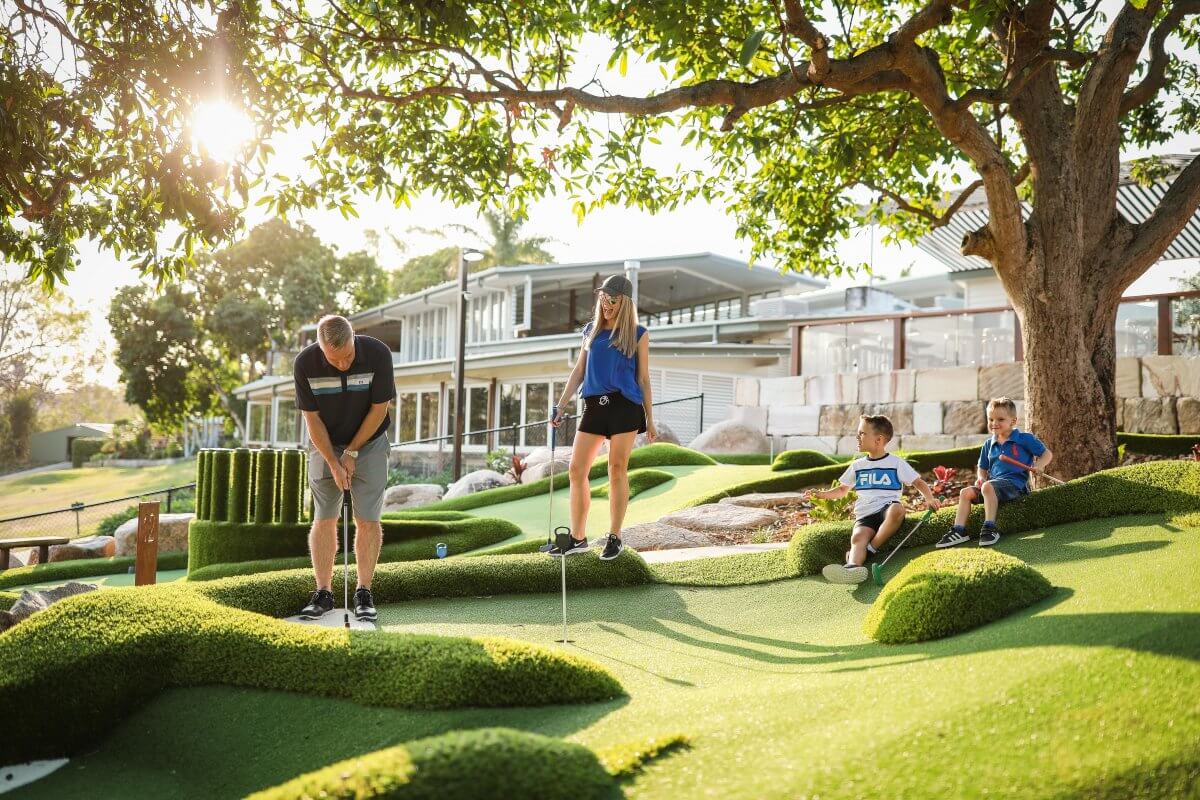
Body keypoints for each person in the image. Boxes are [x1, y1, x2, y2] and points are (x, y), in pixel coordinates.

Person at [293, 315, 395, 621]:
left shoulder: (378, 354)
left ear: (354, 338)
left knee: (368, 519)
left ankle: (364, 591)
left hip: (371, 441)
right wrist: (333, 462)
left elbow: (380, 409)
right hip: (325, 442)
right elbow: (312, 420)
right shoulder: (305, 364)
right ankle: (323, 593)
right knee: (324, 518)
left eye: (348, 357)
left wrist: (351, 452)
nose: (342, 365)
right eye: (333, 359)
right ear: (321, 349)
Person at [549, 274, 658, 560]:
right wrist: (561, 406)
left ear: (624, 302)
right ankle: (577, 538)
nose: (606, 305)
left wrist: (651, 418)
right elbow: (578, 372)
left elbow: (644, 378)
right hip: (594, 406)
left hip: (625, 406)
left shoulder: (638, 333)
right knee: (576, 470)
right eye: (603, 299)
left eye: (613, 300)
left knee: (616, 468)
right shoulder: (591, 331)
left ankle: (615, 537)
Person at [805, 415, 940, 584]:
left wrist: (929, 498)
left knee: (897, 509)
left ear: (878, 440)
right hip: (865, 515)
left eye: (862, 433)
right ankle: (852, 567)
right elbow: (842, 490)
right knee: (858, 538)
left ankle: (871, 548)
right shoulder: (858, 465)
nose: (857, 437)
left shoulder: (895, 463)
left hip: (887, 509)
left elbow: (918, 482)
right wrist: (822, 494)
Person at [936, 396, 1052, 549]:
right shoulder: (988, 444)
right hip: (993, 487)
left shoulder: (1024, 439)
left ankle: (990, 527)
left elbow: (1047, 454)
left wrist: (1039, 465)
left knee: (988, 487)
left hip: (1016, 486)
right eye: (990, 419)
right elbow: (982, 467)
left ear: (1013, 421)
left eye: (1000, 419)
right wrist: (981, 477)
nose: (994, 423)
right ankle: (959, 531)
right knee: (965, 493)